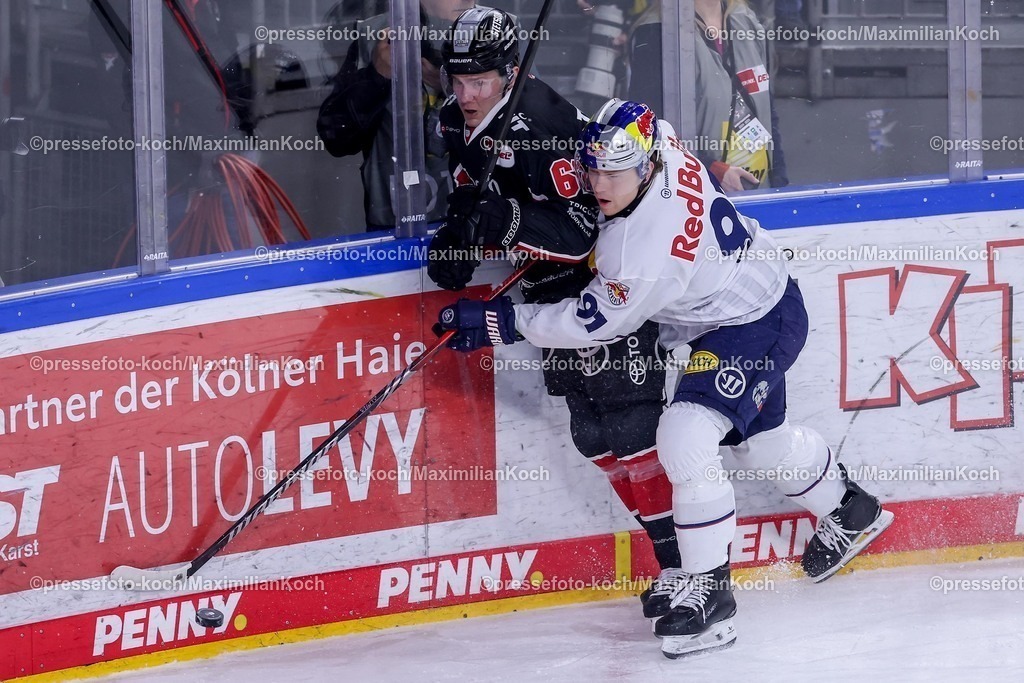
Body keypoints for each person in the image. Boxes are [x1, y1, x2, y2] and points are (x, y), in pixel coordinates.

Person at [435, 98, 894, 659]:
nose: (599, 183)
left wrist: (501, 321)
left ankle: (711, 596)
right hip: (746, 304)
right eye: (593, 167)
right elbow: (602, 129)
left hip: (751, 323)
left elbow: (591, 321)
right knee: (763, 446)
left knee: (685, 434)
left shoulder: (646, 250)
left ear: (645, 166)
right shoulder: (661, 141)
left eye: (613, 172)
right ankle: (851, 510)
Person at [426, 7, 683, 619]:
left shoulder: (544, 125)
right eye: (458, 81)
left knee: (631, 431)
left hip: (606, 293)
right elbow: (471, 197)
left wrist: (506, 221)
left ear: (511, 72)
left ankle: (685, 569)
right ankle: (671, 555)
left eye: (482, 82)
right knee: (591, 435)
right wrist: (459, 241)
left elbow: (587, 233)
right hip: (549, 298)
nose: (466, 95)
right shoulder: (450, 121)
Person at [317, 0, 474, 230]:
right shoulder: (378, 39)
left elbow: (525, 123)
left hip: (474, 230)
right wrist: (377, 77)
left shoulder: (495, 33)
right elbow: (336, 137)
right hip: (394, 234)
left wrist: (450, 86)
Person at [626, 0, 789, 192]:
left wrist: (779, 185)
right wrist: (710, 169)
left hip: (758, 194)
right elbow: (648, 131)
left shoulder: (747, 22)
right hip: (697, 199)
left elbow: (767, 113)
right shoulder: (656, 33)